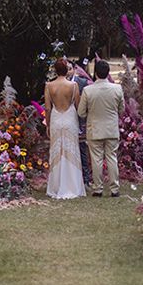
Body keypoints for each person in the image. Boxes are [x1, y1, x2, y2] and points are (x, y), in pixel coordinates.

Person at [78, 59, 125, 198]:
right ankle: (114, 188)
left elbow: (81, 112)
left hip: (95, 128)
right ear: (108, 73)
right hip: (111, 129)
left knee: (96, 159)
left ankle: (98, 188)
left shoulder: (88, 90)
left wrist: (90, 115)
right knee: (112, 158)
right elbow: (122, 110)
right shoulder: (117, 89)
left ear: (95, 73)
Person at [45, 58, 86, 199]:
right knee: (71, 150)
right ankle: (73, 185)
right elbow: (79, 106)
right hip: (70, 118)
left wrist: (48, 124)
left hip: (56, 118)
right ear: (66, 70)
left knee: (57, 150)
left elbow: (48, 108)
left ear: (55, 70)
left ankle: (56, 186)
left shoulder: (49, 86)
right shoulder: (73, 85)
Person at [70, 59, 92, 186]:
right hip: (65, 119)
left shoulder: (82, 83)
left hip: (80, 120)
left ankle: (86, 179)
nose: (68, 71)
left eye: (69, 68)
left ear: (74, 69)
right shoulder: (57, 84)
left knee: (82, 149)